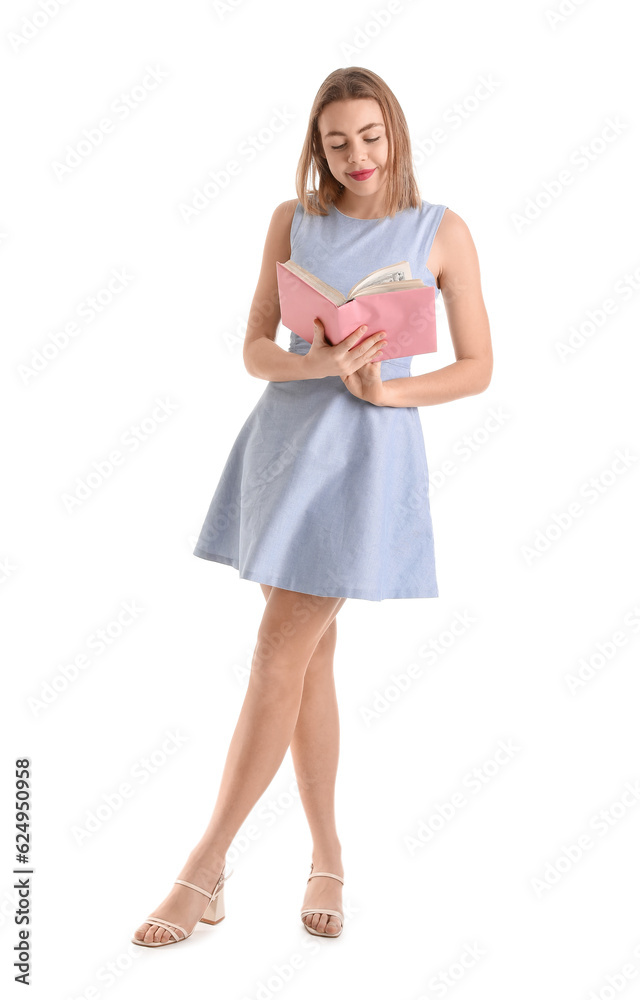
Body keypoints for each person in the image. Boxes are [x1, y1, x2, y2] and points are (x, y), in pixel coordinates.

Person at [131, 66, 493, 948]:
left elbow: (479, 366)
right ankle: (327, 855)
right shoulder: (293, 221)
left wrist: (383, 394)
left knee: (276, 651)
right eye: (338, 142)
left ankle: (204, 866)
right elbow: (257, 346)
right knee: (308, 660)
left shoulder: (442, 230)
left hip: (366, 458)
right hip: (281, 450)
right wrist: (319, 365)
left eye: (371, 136)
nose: (357, 156)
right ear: (317, 147)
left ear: (395, 132)